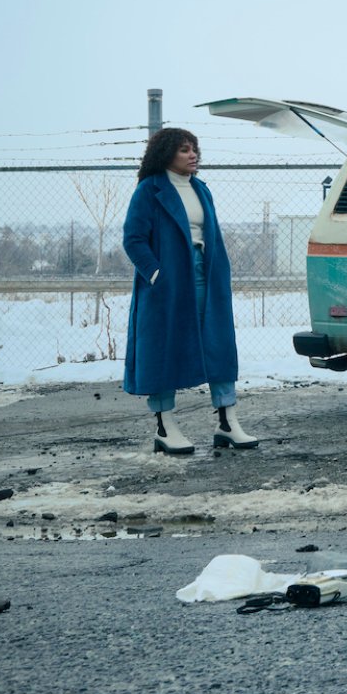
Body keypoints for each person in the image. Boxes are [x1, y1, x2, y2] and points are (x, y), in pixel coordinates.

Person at [121, 128, 258, 454]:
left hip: (206, 278)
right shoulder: (149, 191)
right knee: (164, 350)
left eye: (194, 149)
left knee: (218, 347)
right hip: (168, 285)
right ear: (166, 153)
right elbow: (133, 239)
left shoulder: (201, 189)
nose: (193, 154)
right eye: (184, 150)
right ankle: (165, 426)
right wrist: (156, 274)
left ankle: (227, 423)